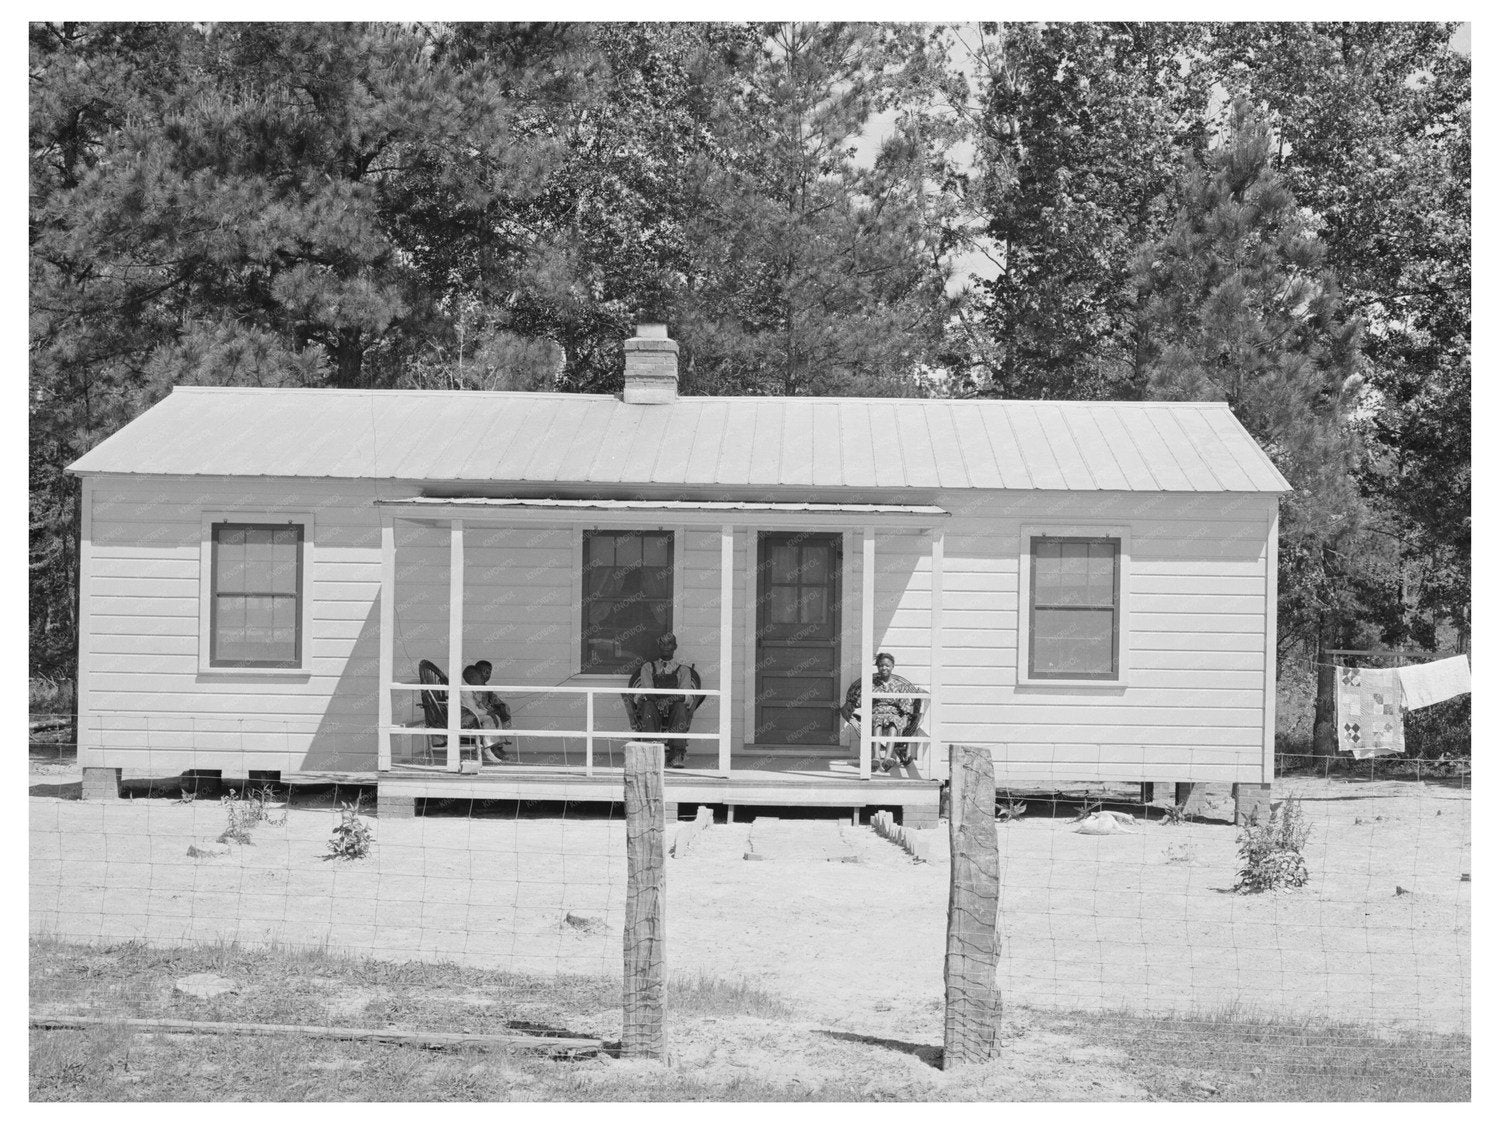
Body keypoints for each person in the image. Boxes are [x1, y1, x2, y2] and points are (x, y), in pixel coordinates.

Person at [840, 652, 923, 773]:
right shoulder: (872, 684)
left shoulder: (899, 685)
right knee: (877, 723)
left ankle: (888, 757)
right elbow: (859, 700)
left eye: (887, 665)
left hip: (894, 713)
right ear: (877, 667)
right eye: (881, 665)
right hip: (876, 712)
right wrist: (849, 704)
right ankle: (877, 757)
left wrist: (905, 716)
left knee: (893, 724)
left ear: (892, 666)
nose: (884, 668)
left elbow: (905, 703)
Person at [631, 633, 700, 769]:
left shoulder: (684, 670)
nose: (665, 647)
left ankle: (675, 755)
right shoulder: (648, 667)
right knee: (648, 706)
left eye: (669, 644)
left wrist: (667, 702)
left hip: (673, 709)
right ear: (659, 646)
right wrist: (659, 703)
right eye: (662, 643)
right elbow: (647, 690)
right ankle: (650, 755)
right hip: (653, 705)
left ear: (675, 647)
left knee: (681, 707)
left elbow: (685, 694)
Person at [461, 660, 513, 765]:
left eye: (489, 672)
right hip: (472, 715)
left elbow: (492, 700)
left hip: (484, 711)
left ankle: (498, 745)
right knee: (492, 717)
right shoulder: (469, 689)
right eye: (484, 672)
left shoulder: (485, 687)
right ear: (477, 674)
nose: (487, 675)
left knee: (502, 711)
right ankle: (491, 748)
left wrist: (498, 707)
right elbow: (473, 708)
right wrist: (488, 712)